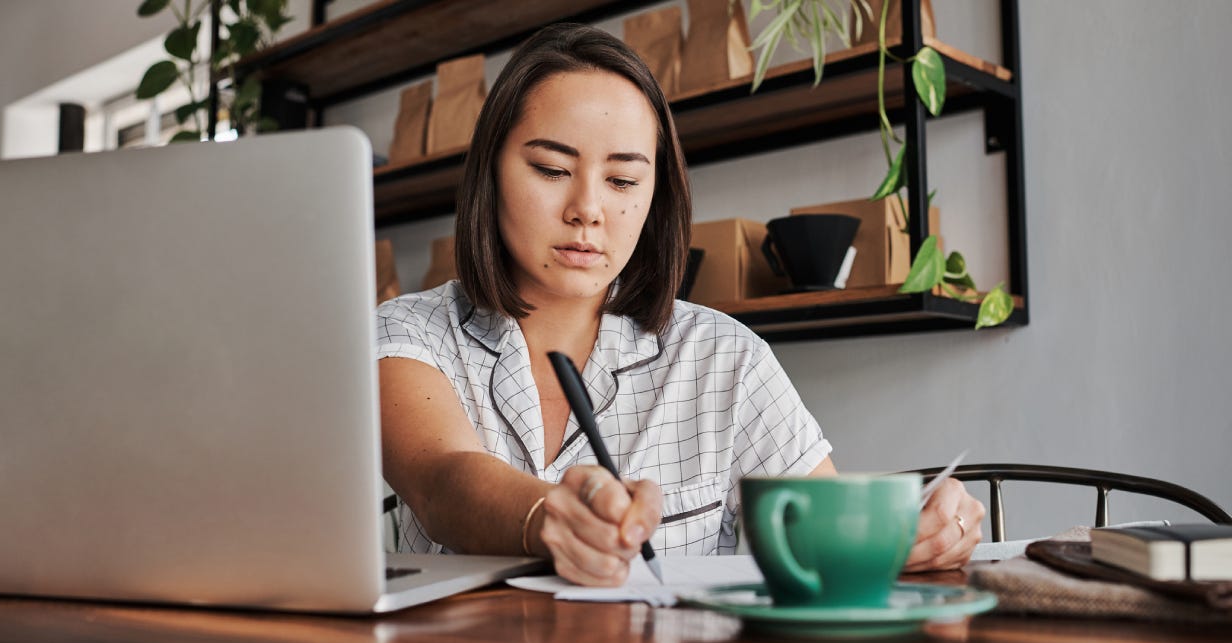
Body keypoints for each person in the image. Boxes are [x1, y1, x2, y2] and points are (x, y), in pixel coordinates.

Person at [374, 23, 984, 587]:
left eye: (622, 181)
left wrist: (913, 531)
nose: (588, 208)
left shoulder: (724, 356)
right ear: (491, 173)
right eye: (552, 168)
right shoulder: (407, 333)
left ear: (654, 197)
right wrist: (546, 515)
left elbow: (812, 523)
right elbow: (442, 480)